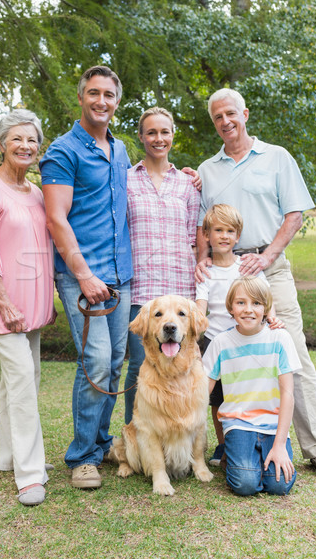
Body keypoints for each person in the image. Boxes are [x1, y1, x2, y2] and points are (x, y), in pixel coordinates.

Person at [196, 88, 316, 481]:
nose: (225, 121)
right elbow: (200, 226)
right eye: (217, 117)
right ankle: (231, 437)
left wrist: (267, 257)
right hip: (223, 270)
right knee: (226, 354)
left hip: (269, 268)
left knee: (291, 352)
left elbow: (294, 215)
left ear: (244, 113)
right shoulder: (207, 169)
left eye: (231, 113)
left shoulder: (276, 157)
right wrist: (202, 260)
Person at [40, 65, 133, 490]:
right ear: (81, 97)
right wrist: (83, 274)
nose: (101, 101)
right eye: (93, 93)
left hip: (120, 275)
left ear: (117, 101)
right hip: (83, 277)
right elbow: (56, 219)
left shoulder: (121, 149)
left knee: (114, 363)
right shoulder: (63, 151)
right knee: (94, 361)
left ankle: (101, 442)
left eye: (109, 95)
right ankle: (82, 456)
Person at [0, 109, 56, 506]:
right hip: (4, 307)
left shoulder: (36, 191)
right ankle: (29, 474)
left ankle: (7, 455)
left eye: (32, 140)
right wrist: (3, 302)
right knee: (22, 384)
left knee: (22, 380)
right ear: (1, 144)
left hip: (34, 307)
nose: (25, 146)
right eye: (17, 139)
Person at [124, 107, 201, 424]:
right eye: (151, 132)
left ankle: (184, 432)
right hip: (141, 292)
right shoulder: (125, 181)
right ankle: (138, 433)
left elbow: (193, 239)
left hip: (182, 290)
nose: (158, 138)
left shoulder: (188, 184)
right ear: (141, 137)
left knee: (186, 363)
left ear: (172, 136)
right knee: (139, 365)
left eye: (164, 132)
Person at [195, 203, 283, 467]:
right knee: (217, 399)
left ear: (238, 235)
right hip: (213, 341)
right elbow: (201, 308)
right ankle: (222, 445)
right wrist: (194, 329)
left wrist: (272, 317)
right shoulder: (205, 271)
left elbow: (264, 297)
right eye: (218, 230)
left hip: (246, 340)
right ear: (207, 235)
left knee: (243, 392)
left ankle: (248, 435)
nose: (224, 236)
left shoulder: (245, 266)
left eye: (230, 231)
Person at [202, 277, 301, 496]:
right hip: (239, 424)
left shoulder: (280, 338)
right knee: (245, 484)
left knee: (279, 485)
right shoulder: (221, 342)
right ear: (230, 307)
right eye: (241, 303)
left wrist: (280, 445)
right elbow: (202, 390)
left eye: (256, 303)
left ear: (266, 307)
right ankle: (235, 455)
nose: (248, 310)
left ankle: (258, 456)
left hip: (273, 425)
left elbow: (288, 395)